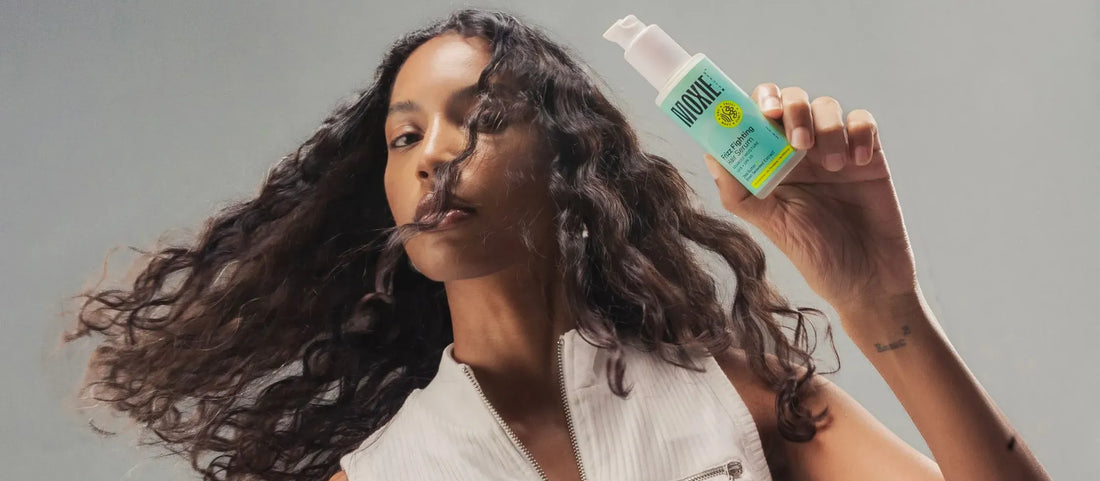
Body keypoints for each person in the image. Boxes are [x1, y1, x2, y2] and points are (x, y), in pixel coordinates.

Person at [62, 8, 1050, 481]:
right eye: (404, 136)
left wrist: (882, 305)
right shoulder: (382, 473)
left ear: (564, 162)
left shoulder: (729, 396)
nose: (432, 155)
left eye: (478, 116)